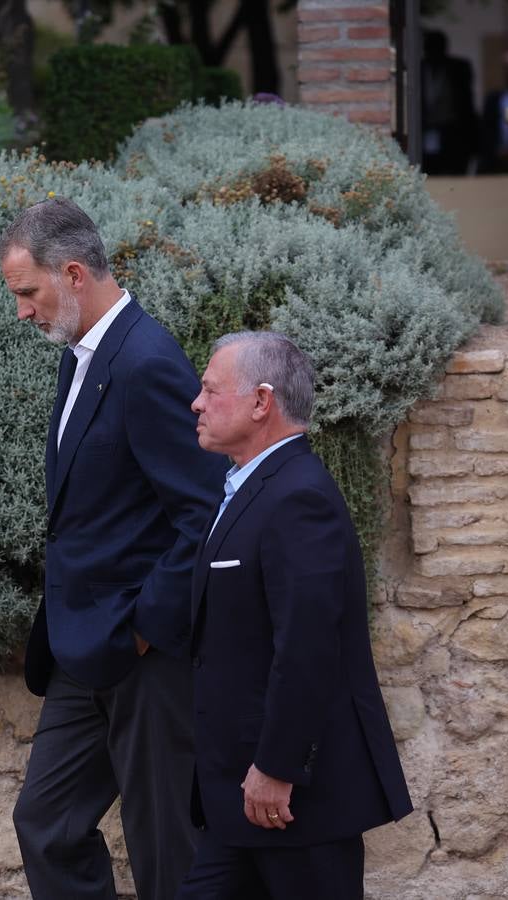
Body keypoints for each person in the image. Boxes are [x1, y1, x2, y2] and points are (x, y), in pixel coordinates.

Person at [0, 198, 224, 900]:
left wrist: (143, 631)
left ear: (72, 274)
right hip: (81, 650)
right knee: (46, 823)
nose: (23, 312)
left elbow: (206, 510)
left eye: (28, 293)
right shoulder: (82, 356)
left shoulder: (145, 360)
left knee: (167, 851)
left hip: (143, 657)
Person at [177, 332, 413, 898]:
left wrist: (277, 769)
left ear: (261, 402)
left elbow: (307, 646)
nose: (196, 403)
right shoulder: (251, 487)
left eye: (210, 390)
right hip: (239, 802)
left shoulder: (298, 498)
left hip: (290, 803)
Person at [420, 30, 478, 175]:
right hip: (425, 132)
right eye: (429, 47)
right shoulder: (418, 68)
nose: (432, 52)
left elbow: (467, 103)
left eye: (436, 47)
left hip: (453, 133)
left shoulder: (459, 68)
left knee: (454, 172)